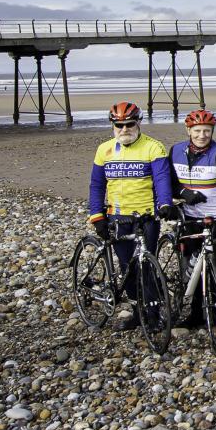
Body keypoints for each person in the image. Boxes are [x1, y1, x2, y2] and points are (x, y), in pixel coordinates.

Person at [87, 101, 173, 331]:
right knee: (127, 267)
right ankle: (137, 312)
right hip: (117, 217)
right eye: (119, 125)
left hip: (146, 216)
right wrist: (96, 216)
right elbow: (97, 185)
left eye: (130, 124)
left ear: (138, 123)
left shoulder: (154, 147)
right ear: (113, 126)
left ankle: (153, 315)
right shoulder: (104, 150)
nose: (124, 129)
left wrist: (165, 204)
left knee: (146, 265)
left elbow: (162, 179)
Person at [168, 108, 216, 327]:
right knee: (190, 265)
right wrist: (183, 193)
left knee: (214, 264)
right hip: (189, 217)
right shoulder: (175, 151)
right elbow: (169, 181)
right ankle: (195, 313)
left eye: (207, 131)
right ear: (188, 130)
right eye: (197, 130)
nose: (202, 135)